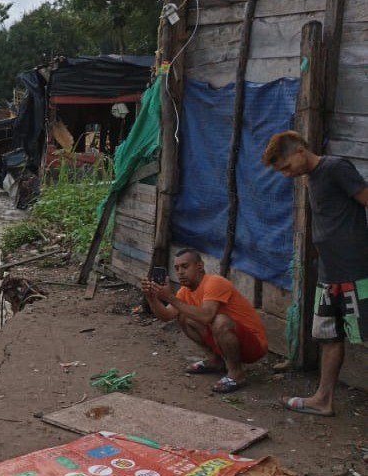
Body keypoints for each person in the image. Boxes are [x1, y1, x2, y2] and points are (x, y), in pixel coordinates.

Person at [262, 130, 368, 416]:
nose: (287, 174)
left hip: (355, 271)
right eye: (281, 171)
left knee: (364, 331)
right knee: (329, 336)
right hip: (329, 272)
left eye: (287, 167)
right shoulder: (309, 178)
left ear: (300, 150)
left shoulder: (335, 168)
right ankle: (323, 398)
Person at [141, 248, 268, 394]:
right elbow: (166, 316)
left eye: (185, 266)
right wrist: (151, 297)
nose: (180, 272)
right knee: (184, 317)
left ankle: (236, 374)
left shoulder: (214, 282)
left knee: (220, 321)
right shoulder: (185, 291)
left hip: (254, 346)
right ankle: (215, 361)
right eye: (177, 268)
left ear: (200, 266)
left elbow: (207, 316)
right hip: (226, 343)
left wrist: (170, 297)